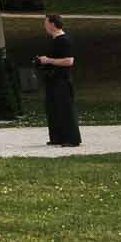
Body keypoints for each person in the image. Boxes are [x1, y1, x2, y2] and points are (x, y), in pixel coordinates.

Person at [35, 13, 80, 147]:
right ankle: (57, 137)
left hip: (62, 80)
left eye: (46, 23)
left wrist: (48, 60)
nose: (44, 26)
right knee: (53, 109)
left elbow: (69, 61)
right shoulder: (54, 40)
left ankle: (71, 139)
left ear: (52, 24)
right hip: (52, 79)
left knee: (65, 109)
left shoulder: (64, 40)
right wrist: (42, 61)